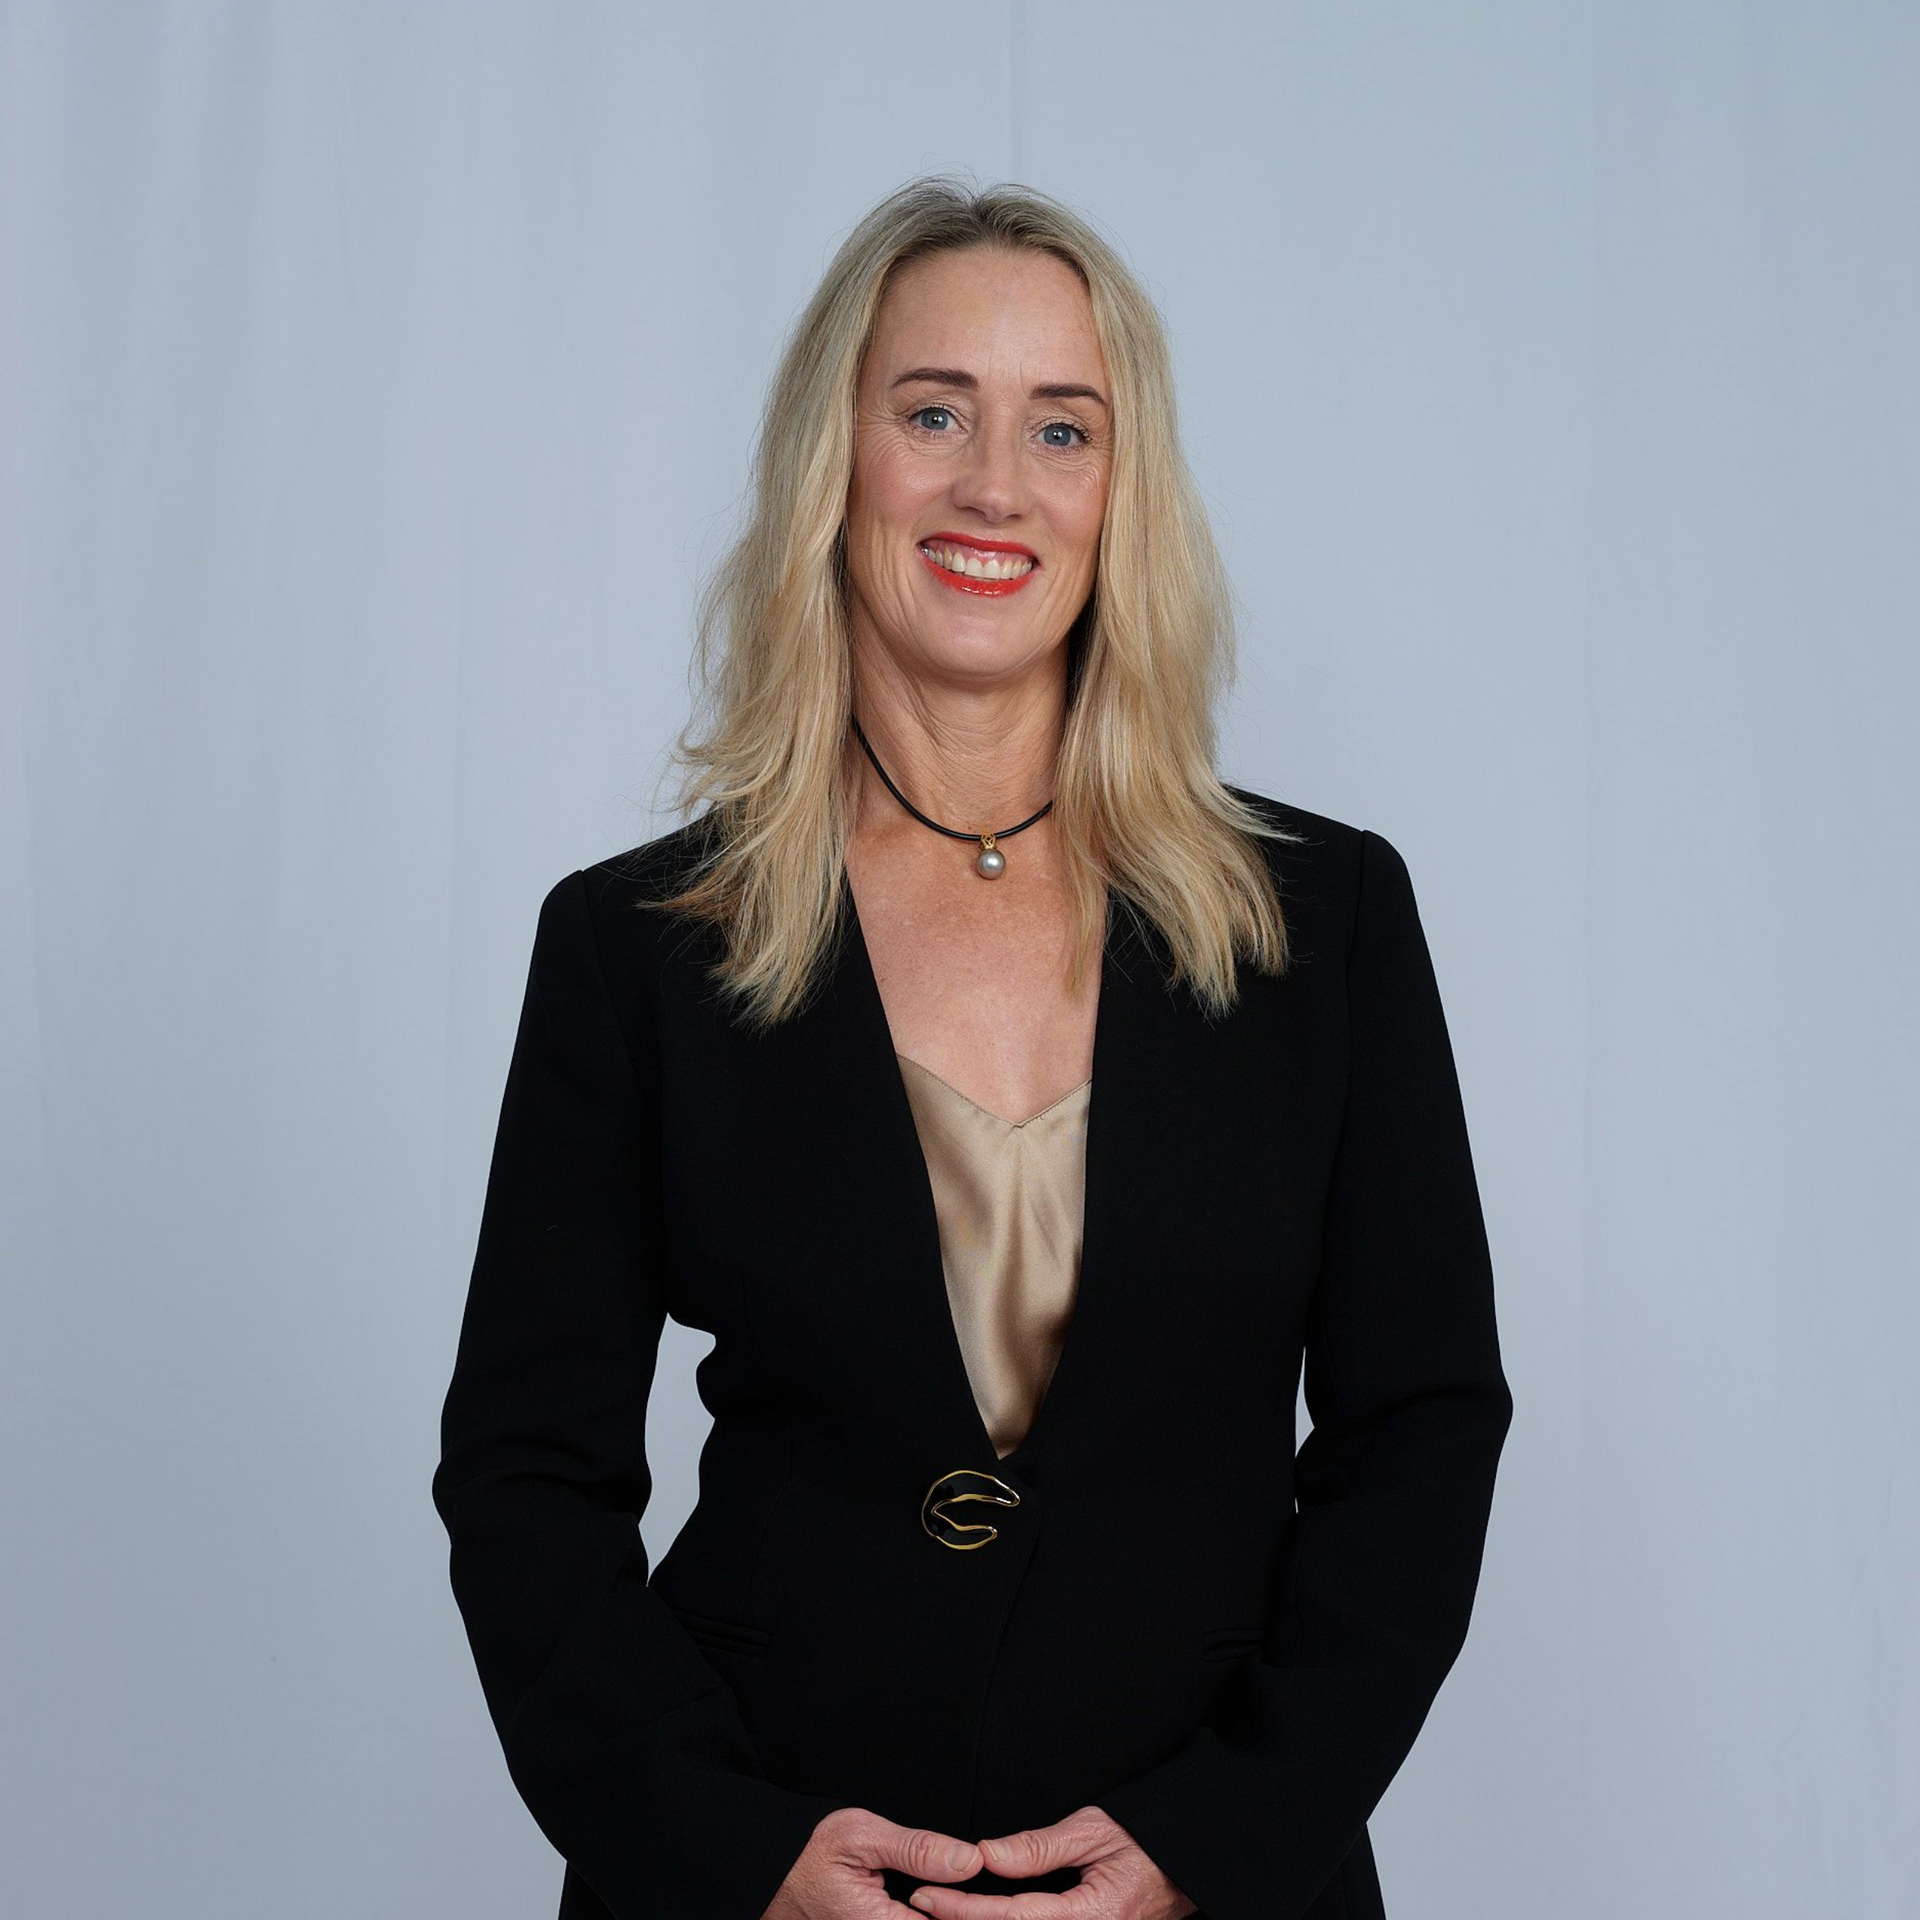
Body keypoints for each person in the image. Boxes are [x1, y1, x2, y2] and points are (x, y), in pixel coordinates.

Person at [431, 174, 1516, 1920]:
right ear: (834, 460)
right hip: (770, 1864)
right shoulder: (635, 947)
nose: (993, 484)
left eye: (1062, 429)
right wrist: (730, 1848)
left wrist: (1221, 1836)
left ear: (1120, 493)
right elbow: (526, 1476)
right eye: (932, 411)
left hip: (1215, 1874)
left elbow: (1423, 1430)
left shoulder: (1329, 926)